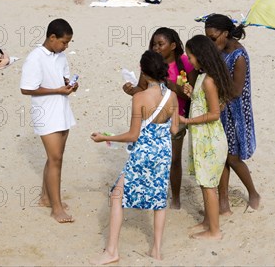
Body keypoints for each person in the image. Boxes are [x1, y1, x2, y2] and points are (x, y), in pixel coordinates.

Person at [91, 50, 179, 263]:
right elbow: (175, 129)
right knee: (159, 199)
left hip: (142, 153)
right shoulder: (172, 96)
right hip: (163, 152)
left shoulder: (139, 97)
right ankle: (156, 250)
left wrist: (104, 137)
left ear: (143, 72)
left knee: (117, 195)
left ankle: (112, 251)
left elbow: (133, 134)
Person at [122, 28, 197, 209]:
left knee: (174, 159)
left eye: (160, 44)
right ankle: (153, 194)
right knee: (154, 158)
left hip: (176, 117)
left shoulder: (185, 63)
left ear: (172, 46)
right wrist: (131, 91)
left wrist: (170, 85)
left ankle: (176, 198)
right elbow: (141, 87)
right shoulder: (150, 63)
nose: (156, 48)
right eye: (154, 44)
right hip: (152, 121)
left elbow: (191, 94)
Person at [20, 19, 77, 223]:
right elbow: (26, 88)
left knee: (55, 157)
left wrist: (69, 85)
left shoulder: (60, 56)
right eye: (64, 42)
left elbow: (63, 79)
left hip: (62, 109)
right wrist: (56, 90)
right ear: (52, 37)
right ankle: (56, 207)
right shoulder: (35, 58)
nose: (66, 46)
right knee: (55, 159)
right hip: (45, 112)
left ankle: (46, 197)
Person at [204, 14, 261, 213]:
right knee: (221, 156)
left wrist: (218, 99)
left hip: (236, 112)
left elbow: (237, 90)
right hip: (220, 109)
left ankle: (253, 193)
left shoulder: (239, 55)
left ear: (225, 34)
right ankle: (223, 202)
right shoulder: (220, 50)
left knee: (233, 158)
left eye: (212, 38)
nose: (211, 43)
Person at [179, 35, 233, 240]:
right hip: (203, 138)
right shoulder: (203, 76)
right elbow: (208, 102)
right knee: (204, 182)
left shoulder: (209, 80)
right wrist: (192, 92)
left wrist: (186, 121)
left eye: (191, 57)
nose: (189, 60)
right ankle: (208, 222)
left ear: (200, 56)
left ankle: (214, 231)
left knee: (209, 185)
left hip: (209, 138)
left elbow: (214, 114)